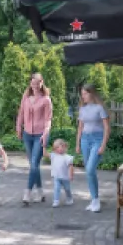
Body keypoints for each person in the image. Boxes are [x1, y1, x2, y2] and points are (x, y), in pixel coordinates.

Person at [16, 72, 53, 205]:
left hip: (40, 135)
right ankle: (41, 192)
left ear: (42, 83)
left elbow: (48, 119)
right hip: (27, 134)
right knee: (34, 165)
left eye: (38, 83)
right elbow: (21, 113)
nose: (35, 85)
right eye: (33, 83)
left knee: (34, 163)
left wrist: (46, 132)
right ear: (30, 83)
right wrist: (18, 127)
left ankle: (27, 192)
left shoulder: (46, 100)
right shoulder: (26, 97)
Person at [76, 84, 110, 212]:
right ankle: (94, 199)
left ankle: (96, 201)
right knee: (89, 171)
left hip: (97, 139)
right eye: (82, 94)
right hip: (85, 140)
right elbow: (80, 127)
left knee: (90, 169)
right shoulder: (82, 109)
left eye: (85, 93)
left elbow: (107, 127)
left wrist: (103, 144)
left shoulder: (99, 108)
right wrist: (77, 144)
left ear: (91, 93)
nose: (83, 96)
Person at [48, 138, 74, 207]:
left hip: (65, 177)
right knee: (56, 188)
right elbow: (45, 154)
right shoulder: (53, 155)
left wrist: (71, 175)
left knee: (67, 189)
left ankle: (69, 198)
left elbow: (71, 167)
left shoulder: (67, 157)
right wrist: (44, 146)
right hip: (56, 176)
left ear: (64, 147)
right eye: (55, 148)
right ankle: (56, 200)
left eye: (58, 147)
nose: (57, 149)